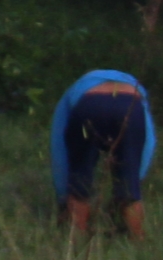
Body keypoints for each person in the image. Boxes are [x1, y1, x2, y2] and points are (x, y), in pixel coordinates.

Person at [49, 69, 155, 238]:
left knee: (80, 179)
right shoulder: (138, 91)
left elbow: (59, 148)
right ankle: (138, 242)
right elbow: (149, 141)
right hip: (130, 106)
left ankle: (76, 242)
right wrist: (135, 177)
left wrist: (63, 196)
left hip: (89, 105)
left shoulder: (73, 91)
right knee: (129, 187)